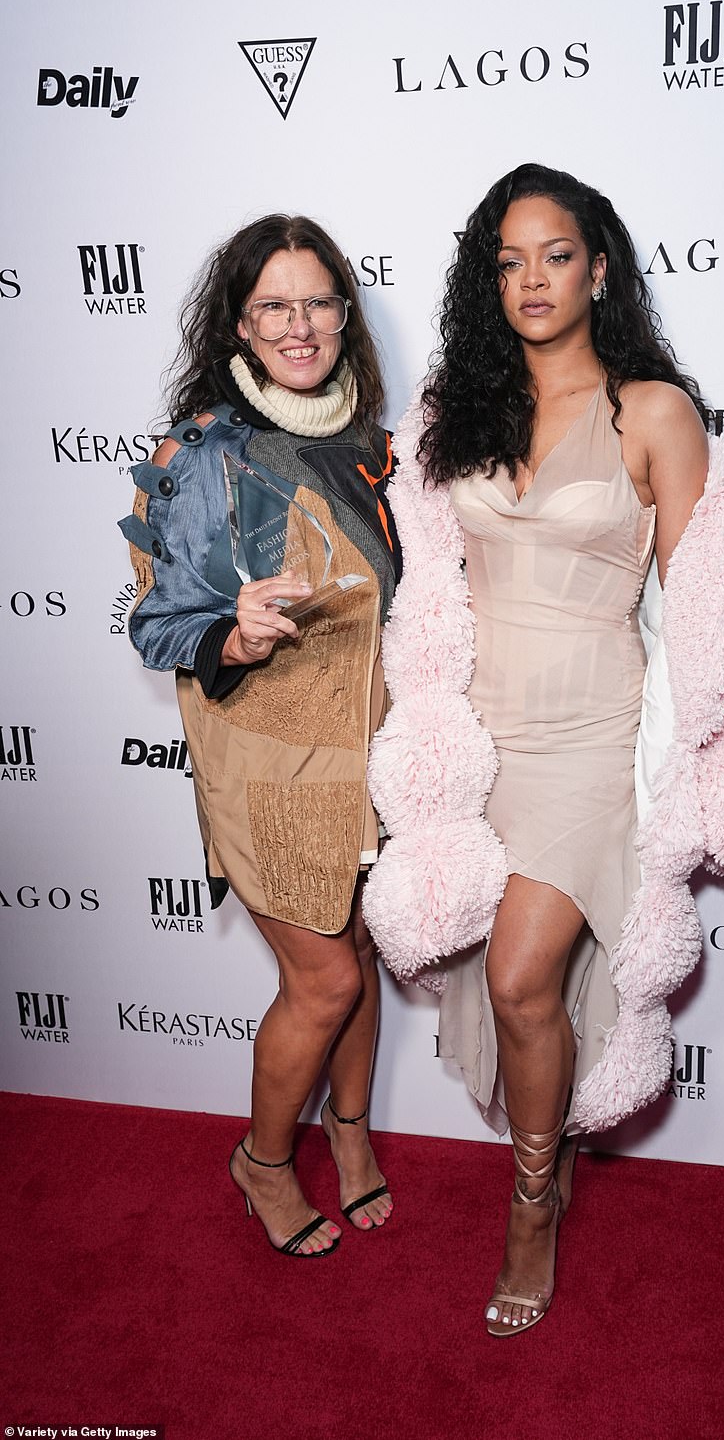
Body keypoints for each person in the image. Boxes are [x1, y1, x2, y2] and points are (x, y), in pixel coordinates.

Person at [363, 165, 724, 1331]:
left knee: (518, 977)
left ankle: (531, 1198)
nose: (531, 280)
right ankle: (539, 1170)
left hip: (591, 740)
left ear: (598, 267)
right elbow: (419, 565)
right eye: (507, 260)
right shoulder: (460, 406)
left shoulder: (652, 414)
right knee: (509, 988)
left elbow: (702, 614)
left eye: (553, 254)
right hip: (480, 732)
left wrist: (697, 770)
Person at [120, 214, 402, 1256]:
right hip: (269, 764)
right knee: (323, 977)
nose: (299, 325)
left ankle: (353, 1134)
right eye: (273, 305)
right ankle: (266, 1162)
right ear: (238, 323)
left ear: (343, 314)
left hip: (372, 760)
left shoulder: (374, 446)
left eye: (318, 302)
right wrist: (227, 633)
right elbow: (156, 622)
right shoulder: (205, 454)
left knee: (361, 953)